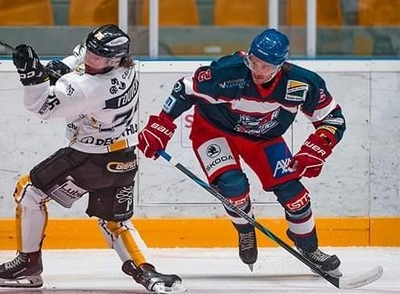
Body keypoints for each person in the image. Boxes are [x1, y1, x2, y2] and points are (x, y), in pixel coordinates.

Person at [0, 24, 184, 294]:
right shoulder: (126, 67)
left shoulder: (89, 88)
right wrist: (61, 66)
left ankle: (29, 264)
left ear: (113, 60)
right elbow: (80, 58)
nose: (91, 59)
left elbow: (41, 107)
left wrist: (32, 77)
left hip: (89, 159)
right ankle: (145, 270)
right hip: (124, 157)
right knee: (115, 223)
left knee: (29, 192)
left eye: (98, 57)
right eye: (91, 52)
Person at [137, 28, 346, 276]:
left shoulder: (302, 83)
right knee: (232, 187)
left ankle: (309, 247)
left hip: (264, 139)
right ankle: (246, 230)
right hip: (214, 132)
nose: (257, 70)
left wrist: (318, 147)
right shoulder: (227, 72)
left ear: (280, 65)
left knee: (294, 193)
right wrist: (162, 122)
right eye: (253, 62)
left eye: (266, 66)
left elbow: (333, 119)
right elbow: (185, 89)